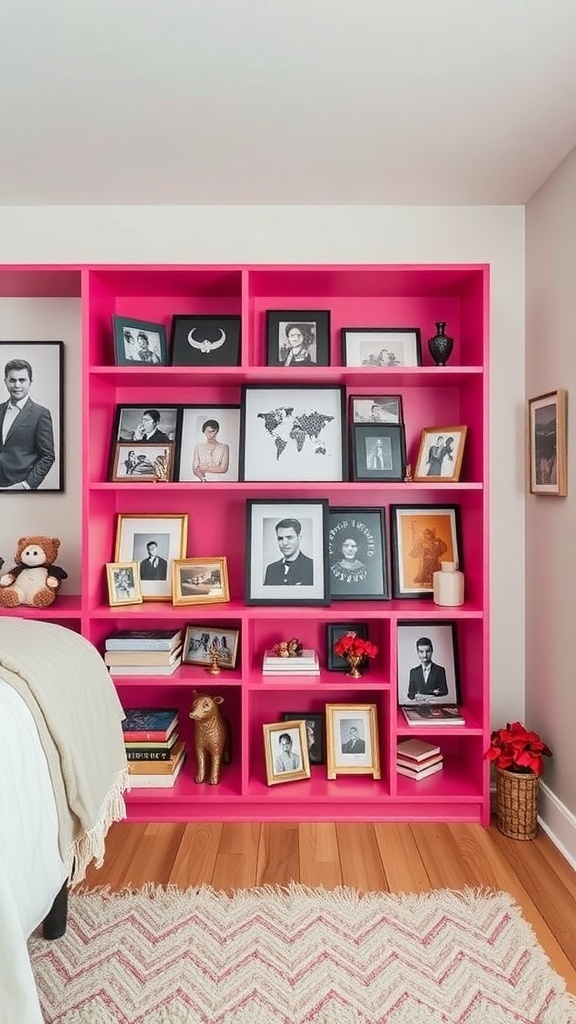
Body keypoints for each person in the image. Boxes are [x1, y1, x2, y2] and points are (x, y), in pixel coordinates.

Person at [0, 358, 56, 490]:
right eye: (12, 380)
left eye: (22, 380)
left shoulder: (40, 414)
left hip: (21, 488)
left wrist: (26, 485)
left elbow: (48, 456)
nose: (17, 385)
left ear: (30, 382)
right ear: (5, 381)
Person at [263, 518, 314, 586]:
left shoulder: (312, 567)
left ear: (299, 538)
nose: (284, 543)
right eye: (280, 538)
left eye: (289, 537)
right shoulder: (271, 569)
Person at [407, 637, 449, 701]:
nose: (424, 655)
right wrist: (433, 692)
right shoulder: (413, 672)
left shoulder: (440, 670)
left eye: (428, 651)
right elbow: (410, 694)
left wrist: (425, 696)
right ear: (417, 653)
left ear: (432, 651)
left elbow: (444, 691)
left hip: (435, 706)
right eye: (421, 652)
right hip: (418, 707)